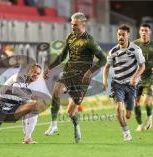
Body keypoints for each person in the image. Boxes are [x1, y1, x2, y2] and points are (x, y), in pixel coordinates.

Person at [43, 12, 106, 143]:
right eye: (71, 24)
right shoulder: (70, 37)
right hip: (69, 72)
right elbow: (62, 56)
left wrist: (90, 72)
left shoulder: (90, 41)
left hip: (82, 78)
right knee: (56, 90)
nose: (72, 27)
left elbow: (103, 59)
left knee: (71, 112)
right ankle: (54, 125)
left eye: (75, 25)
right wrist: (49, 67)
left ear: (83, 24)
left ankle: (76, 125)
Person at [102, 24, 145, 141]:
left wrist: (135, 77)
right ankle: (126, 133)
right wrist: (104, 81)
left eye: (123, 35)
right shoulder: (113, 51)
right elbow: (106, 67)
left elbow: (142, 66)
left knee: (128, 114)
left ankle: (127, 116)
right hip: (117, 84)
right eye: (119, 35)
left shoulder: (135, 49)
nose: (120, 37)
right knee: (118, 108)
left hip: (131, 85)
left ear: (128, 35)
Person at [133, 24, 153, 131]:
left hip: (150, 76)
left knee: (146, 101)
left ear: (149, 32)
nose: (144, 32)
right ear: (139, 32)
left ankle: (149, 118)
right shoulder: (135, 44)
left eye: (146, 30)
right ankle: (139, 124)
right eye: (142, 30)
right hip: (138, 76)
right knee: (135, 103)